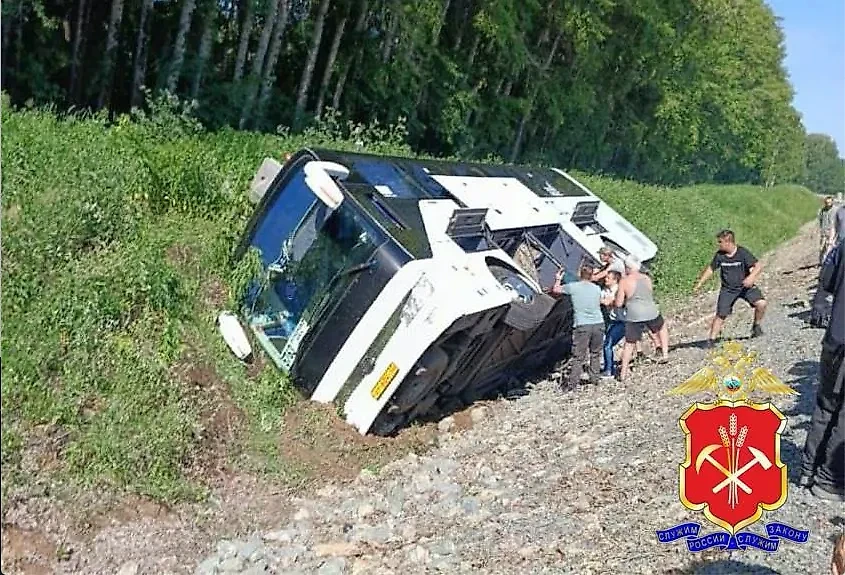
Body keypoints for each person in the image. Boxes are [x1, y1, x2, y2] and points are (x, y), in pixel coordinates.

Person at [799, 237, 845, 502]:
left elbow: (824, 283)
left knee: (827, 405)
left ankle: (808, 469)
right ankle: (830, 481)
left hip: (834, 340)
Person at [692, 230, 767, 343]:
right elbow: (711, 269)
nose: (718, 244)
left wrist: (751, 277)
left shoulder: (742, 253)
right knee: (721, 315)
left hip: (744, 287)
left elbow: (758, 266)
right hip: (728, 289)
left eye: (720, 242)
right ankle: (711, 340)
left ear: (728, 242)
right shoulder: (719, 256)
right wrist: (699, 284)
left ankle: (756, 326)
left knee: (761, 304)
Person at [615, 255, 670, 381]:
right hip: (650, 311)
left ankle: (623, 372)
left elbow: (618, 303)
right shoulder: (646, 278)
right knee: (662, 327)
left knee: (629, 343)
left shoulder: (624, 281)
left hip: (634, 314)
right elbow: (650, 294)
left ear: (628, 267)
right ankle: (665, 353)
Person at [551, 264, 605, 388]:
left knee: (578, 356)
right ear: (591, 275)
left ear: (580, 274)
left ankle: (572, 383)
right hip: (598, 323)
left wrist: (558, 278)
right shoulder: (596, 289)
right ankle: (595, 378)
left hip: (582, 325)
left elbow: (556, 290)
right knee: (595, 353)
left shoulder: (573, 287)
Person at [599, 270, 626, 379]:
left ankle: (609, 370)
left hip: (622, 321)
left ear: (615, 280)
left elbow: (607, 302)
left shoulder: (619, 290)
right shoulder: (605, 290)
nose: (606, 279)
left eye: (608, 278)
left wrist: (606, 301)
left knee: (607, 345)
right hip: (612, 321)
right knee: (607, 344)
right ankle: (608, 367)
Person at [819, 196, 837, 265]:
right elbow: (821, 220)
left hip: (832, 232)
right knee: (821, 248)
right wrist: (821, 229)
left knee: (830, 248)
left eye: (829, 202)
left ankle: (827, 263)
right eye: (826, 202)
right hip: (824, 232)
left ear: (832, 202)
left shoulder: (836, 210)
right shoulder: (823, 210)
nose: (828, 204)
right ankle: (821, 262)